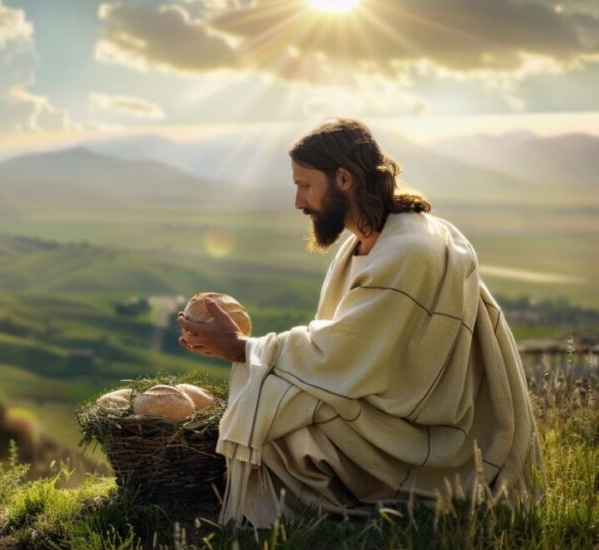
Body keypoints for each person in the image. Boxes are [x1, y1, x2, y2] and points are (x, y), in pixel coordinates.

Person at [177, 118, 542, 528]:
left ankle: (302, 519)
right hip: (384, 398)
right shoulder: (370, 239)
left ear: (344, 179)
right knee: (275, 396)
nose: (299, 202)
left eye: (305, 185)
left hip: (429, 433)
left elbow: (342, 354)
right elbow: (350, 351)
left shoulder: (407, 249)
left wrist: (242, 348)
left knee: (281, 416)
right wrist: (247, 350)